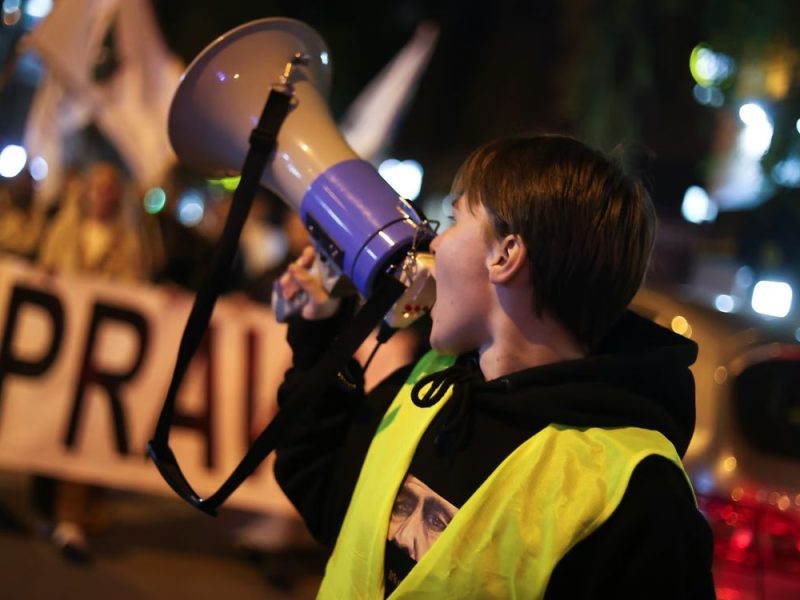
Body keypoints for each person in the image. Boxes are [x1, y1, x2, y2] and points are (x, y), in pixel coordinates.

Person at [273, 134, 715, 598]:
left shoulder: (641, 500)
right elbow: (323, 490)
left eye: (454, 218)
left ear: (505, 255)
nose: (435, 245)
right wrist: (319, 332)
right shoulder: (433, 381)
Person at [35, 161, 150, 561]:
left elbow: (137, 296)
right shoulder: (60, 232)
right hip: (60, 349)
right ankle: (53, 508)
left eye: (109, 187)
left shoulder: (130, 242)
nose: (102, 193)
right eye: (95, 185)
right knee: (47, 426)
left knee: (83, 431)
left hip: (99, 357)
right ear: (83, 190)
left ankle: (72, 516)